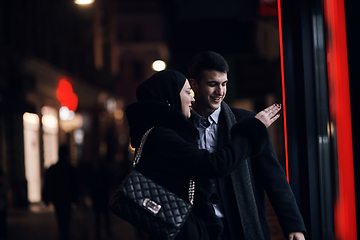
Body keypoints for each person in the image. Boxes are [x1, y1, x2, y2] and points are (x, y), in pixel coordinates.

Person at [124, 70, 281, 240]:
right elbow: (216, 164)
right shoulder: (161, 136)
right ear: (169, 98)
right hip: (181, 229)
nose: (192, 98)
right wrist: (252, 130)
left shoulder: (157, 133)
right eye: (186, 92)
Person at [187, 51, 306, 240]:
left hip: (240, 227)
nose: (220, 92)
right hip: (199, 230)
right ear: (194, 84)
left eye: (224, 84)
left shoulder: (248, 121)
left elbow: (274, 177)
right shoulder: (182, 127)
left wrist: (293, 226)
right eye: (212, 84)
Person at [42, 145, 79, 240]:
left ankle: (63, 234)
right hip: (67, 197)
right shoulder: (70, 169)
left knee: (60, 218)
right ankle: (64, 234)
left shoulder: (54, 169)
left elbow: (47, 183)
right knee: (66, 218)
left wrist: (45, 197)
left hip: (58, 197)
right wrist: (76, 199)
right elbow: (75, 185)